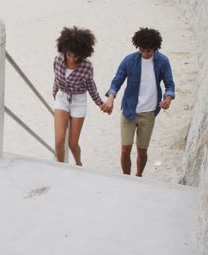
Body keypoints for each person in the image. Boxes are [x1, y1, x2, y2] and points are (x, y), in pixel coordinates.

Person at [102, 27, 175, 177]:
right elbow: (116, 82)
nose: (144, 54)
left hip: (148, 114)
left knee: (142, 151)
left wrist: (167, 100)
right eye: (141, 50)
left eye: (148, 51)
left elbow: (169, 84)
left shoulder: (163, 61)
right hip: (129, 111)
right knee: (125, 149)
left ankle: (138, 177)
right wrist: (110, 98)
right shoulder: (129, 60)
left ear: (155, 48)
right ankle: (127, 178)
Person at [52, 26, 107, 165]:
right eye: (69, 54)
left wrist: (100, 103)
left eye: (76, 56)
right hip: (62, 97)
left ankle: (78, 164)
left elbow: (91, 86)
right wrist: (55, 94)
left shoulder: (86, 66)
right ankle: (61, 167)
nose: (71, 58)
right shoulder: (58, 60)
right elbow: (56, 79)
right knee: (59, 140)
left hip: (79, 100)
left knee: (72, 143)